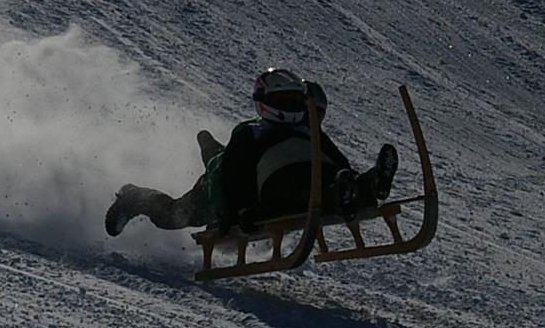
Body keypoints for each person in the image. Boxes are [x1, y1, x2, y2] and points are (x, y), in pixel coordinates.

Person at [104, 68, 397, 237]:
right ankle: (134, 197)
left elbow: (337, 165)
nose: (294, 106)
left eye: (296, 100)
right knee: (173, 216)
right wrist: (239, 210)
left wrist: (349, 178)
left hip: (292, 190)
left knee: (323, 182)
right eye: (284, 99)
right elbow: (235, 173)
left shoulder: (311, 133)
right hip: (224, 193)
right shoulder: (252, 131)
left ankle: (367, 185)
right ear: (265, 102)